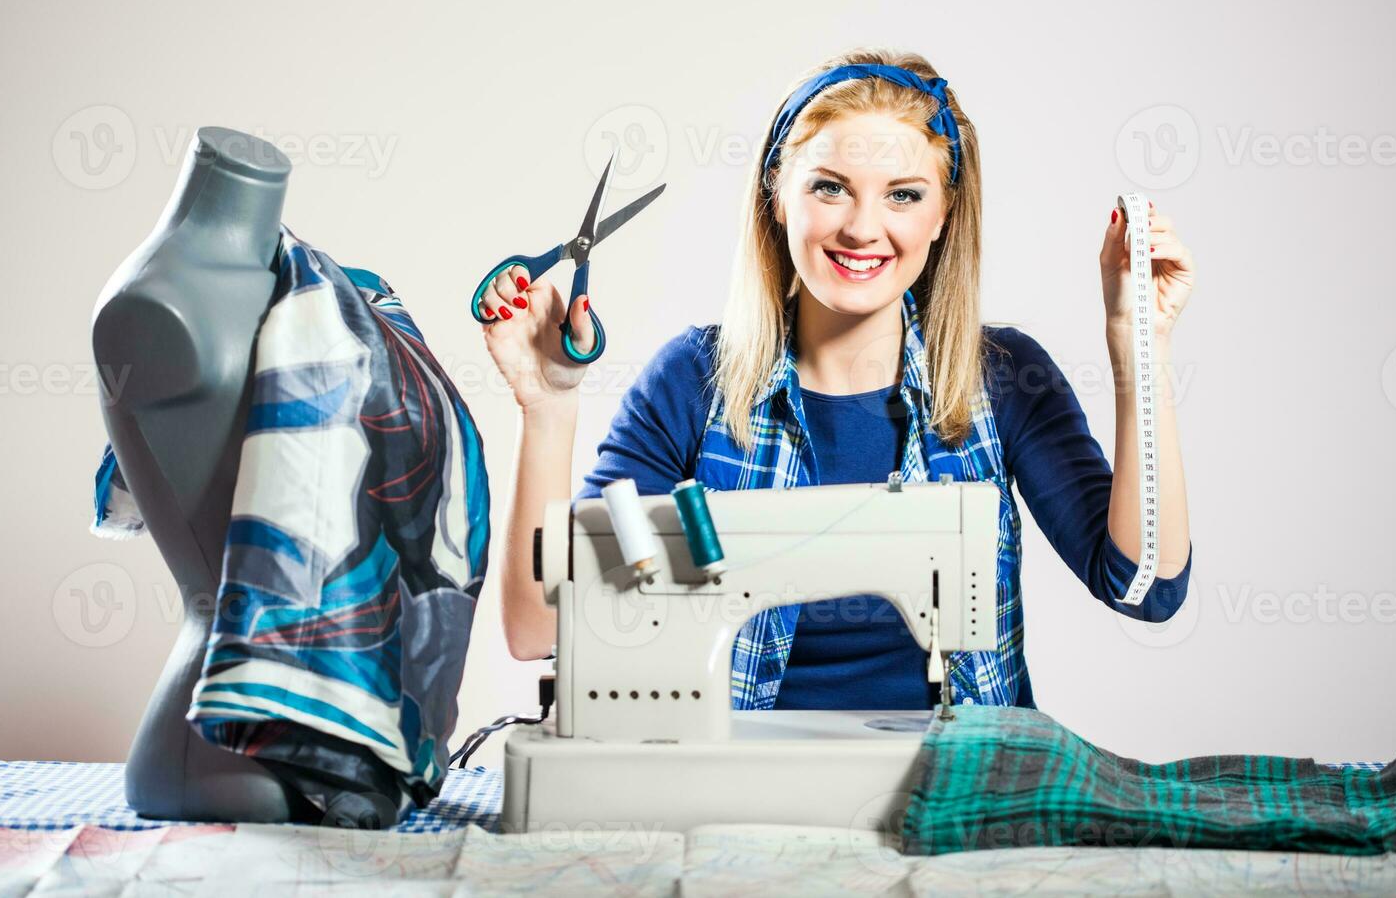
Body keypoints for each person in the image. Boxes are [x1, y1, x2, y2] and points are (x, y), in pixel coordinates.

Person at [477, 47, 1195, 711]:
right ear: (777, 196)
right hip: (741, 812)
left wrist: (1142, 352)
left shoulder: (1003, 382)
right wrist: (548, 405)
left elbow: (1146, 588)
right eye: (830, 188)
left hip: (958, 812)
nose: (862, 228)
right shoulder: (694, 383)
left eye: (903, 195)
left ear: (945, 214)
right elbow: (539, 629)